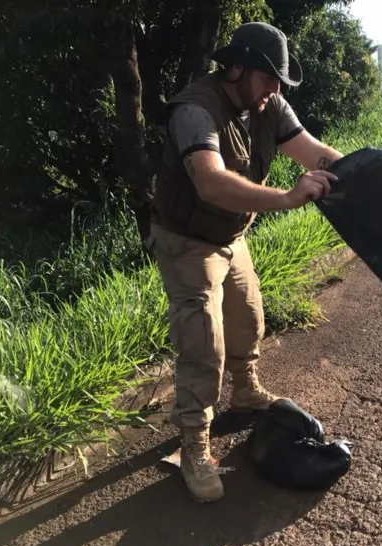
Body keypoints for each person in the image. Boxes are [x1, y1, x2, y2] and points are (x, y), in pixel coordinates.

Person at [148, 21, 345, 503]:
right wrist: (286, 196)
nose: (275, 89)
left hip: (233, 236)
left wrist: (361, 173)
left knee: (249, 317)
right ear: (235, 68)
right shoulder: (195, 111)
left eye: (279, 81)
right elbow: (211, 183)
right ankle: (194, 445)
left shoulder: (268, 104)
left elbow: (314, 152)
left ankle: (246, 389)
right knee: (203, 345)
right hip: (188, 242)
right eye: (267, 77)